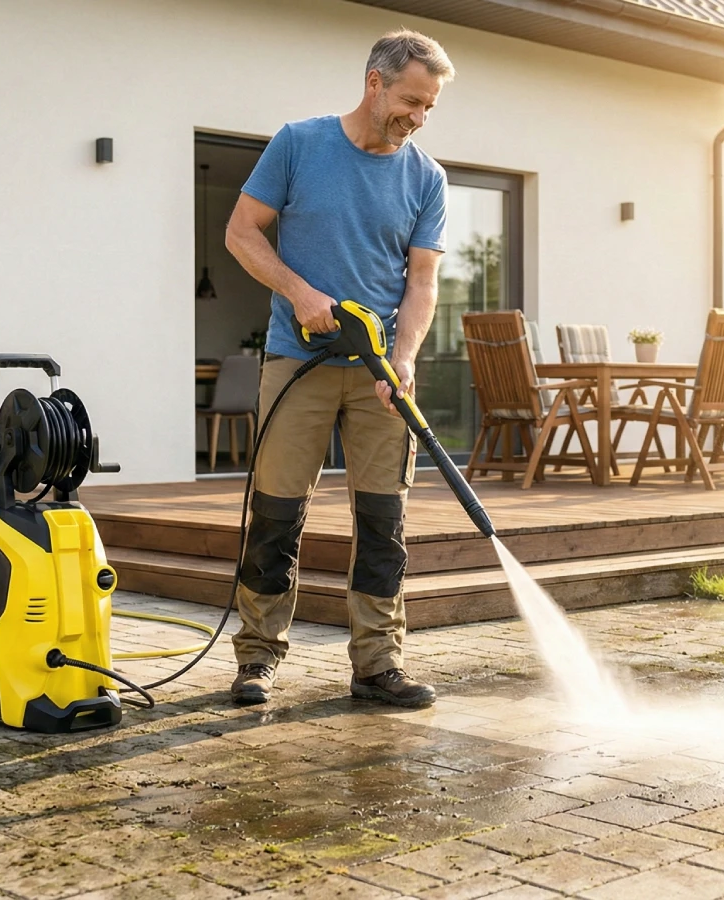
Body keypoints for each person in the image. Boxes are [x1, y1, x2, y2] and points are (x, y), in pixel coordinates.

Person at [221, 30, 453, 708]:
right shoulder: (299, 143)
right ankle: (257, 660)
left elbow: (423, 281)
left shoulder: (425, 177)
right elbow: (241, 232)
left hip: (380, 373)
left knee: (385, 521)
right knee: (276, 513)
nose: (418, 117)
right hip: (299, 360)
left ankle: (378, 664)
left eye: (430, 107)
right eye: (411, 100)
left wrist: (403, 358)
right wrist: (300, 292)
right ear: (374, 82)